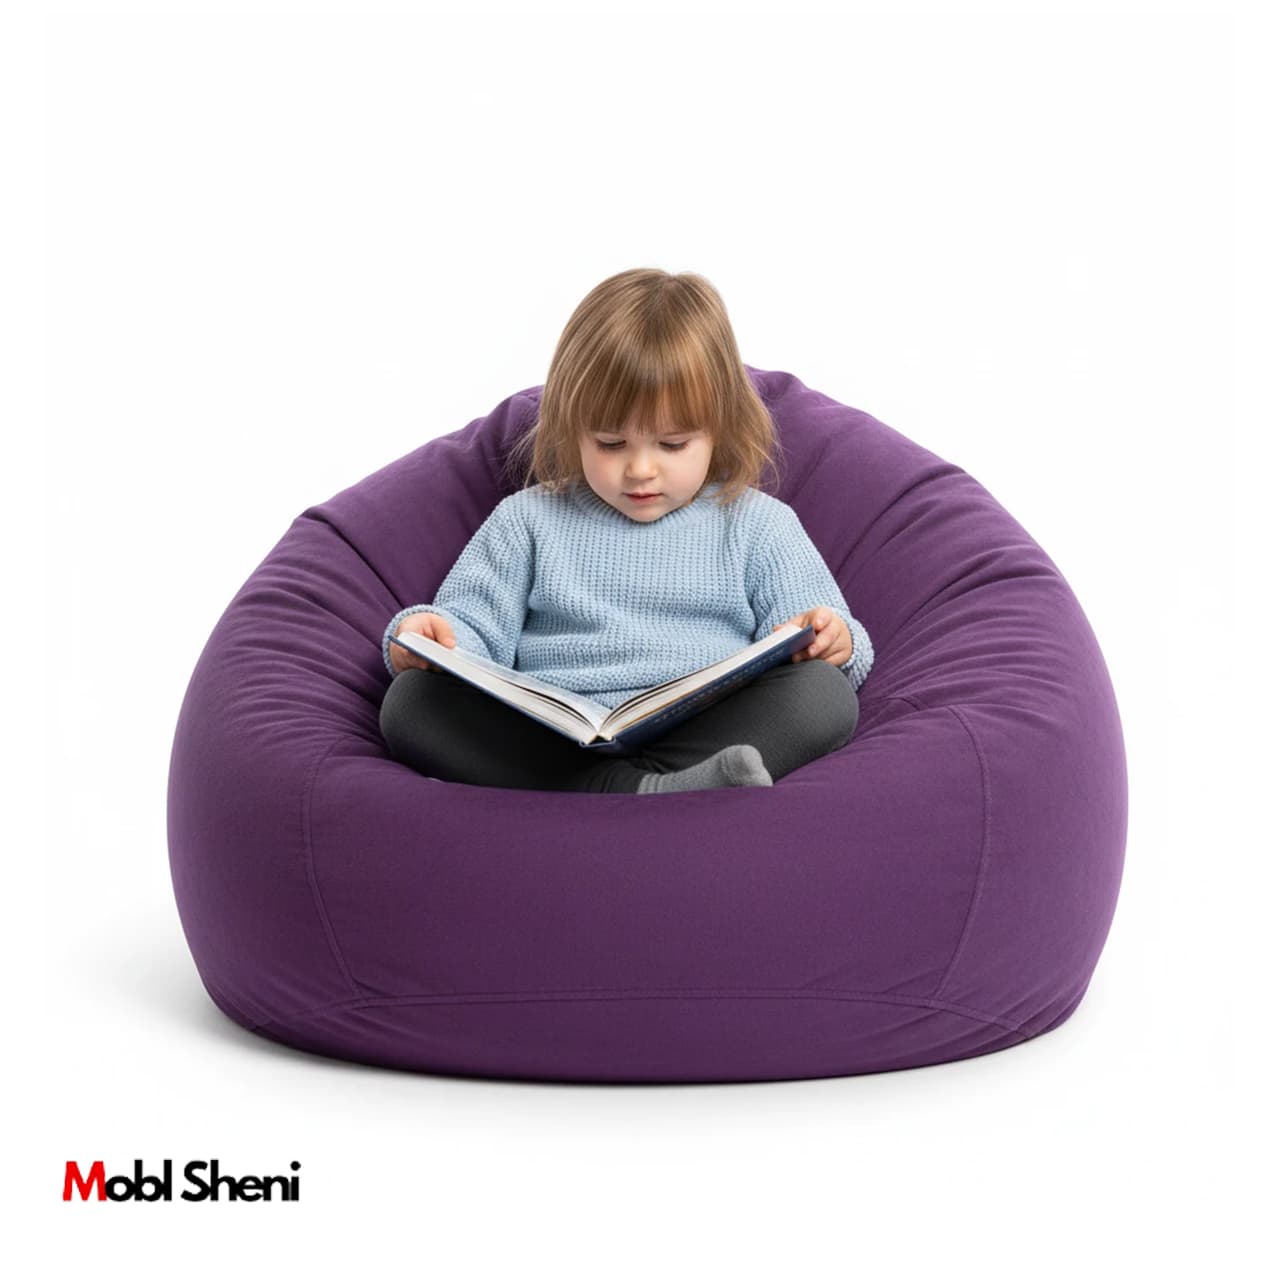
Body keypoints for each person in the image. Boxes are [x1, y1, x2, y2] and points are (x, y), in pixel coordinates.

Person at [378, 267, 874, 794]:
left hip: (704, 729)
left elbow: (816, 634)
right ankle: (650, 791)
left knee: (823, 696)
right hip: (553, 741)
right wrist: (428, 636)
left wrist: (832, 639)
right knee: (411, 704)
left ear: (719, 428)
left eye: (673, 444)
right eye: (611, 444)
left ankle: (607, 793)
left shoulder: (757, 523)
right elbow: (471, 637)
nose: (640, 470)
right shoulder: (526, 519)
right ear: (572, 428)